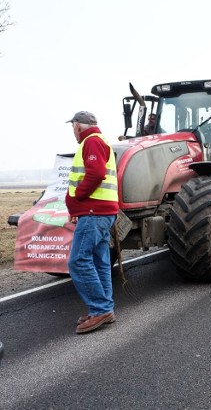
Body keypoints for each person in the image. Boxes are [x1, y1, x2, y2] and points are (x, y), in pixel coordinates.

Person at [65, 111, 119, 334]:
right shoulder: (100, 141)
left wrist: (77, 196)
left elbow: (95, 174)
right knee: (99, 262)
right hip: (100, 212)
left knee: (78, 261)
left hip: (93, 212)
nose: (72, 130)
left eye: (72, 126)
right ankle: (104, 308)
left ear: (78, 125)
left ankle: (100, 309)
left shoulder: (92, 141)